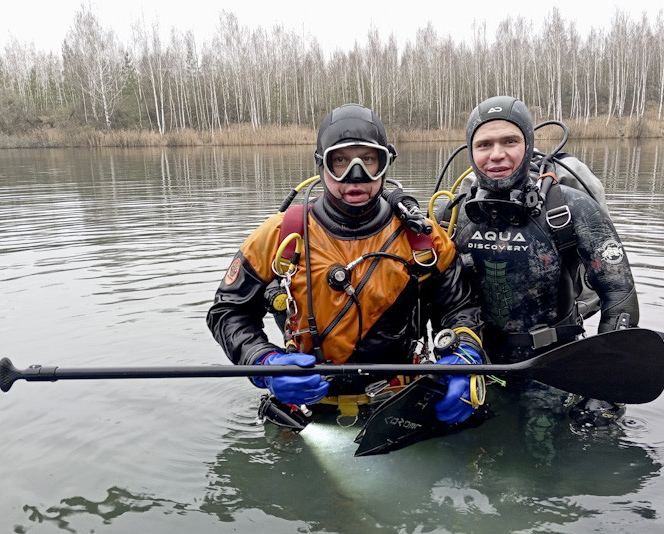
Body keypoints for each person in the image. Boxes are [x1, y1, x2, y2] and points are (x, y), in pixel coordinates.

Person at [207, 103, 484, 427]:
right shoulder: (280, 236)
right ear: (322, 165)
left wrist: (464, 356)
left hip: (399, 408)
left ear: (385, 163)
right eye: (340, 161)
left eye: (368, 160)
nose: (356, 176)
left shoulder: (421, 237)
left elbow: (460, 305)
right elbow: (227, 312)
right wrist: (264, 363)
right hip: (303, 411)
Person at [434, 95, 640, 435]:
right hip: (479, 365)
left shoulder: (571, 209)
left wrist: (605, 385)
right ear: (470, 152)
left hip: (554, 366)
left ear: (528, 145)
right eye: (484, 144)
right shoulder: (453, 216)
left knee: (544, 466)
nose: (496, 154)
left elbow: (619, 295)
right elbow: (437, 296)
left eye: (509, 141)